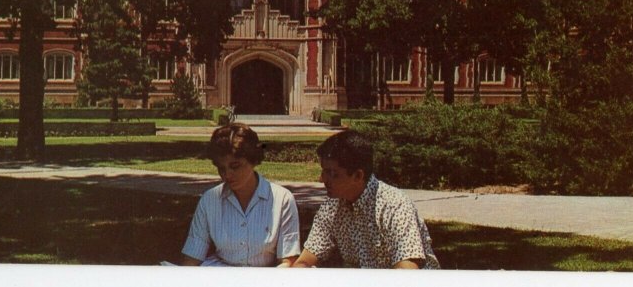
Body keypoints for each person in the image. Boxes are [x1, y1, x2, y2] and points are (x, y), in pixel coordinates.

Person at [292, 130, 440, 269]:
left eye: (332, 173)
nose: (322, 179)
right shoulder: (332, 207)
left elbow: (408, 272)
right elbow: (305, 260)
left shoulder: (395, 206)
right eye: (323, 171)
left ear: (358, 176)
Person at [180, 123, 301, 267]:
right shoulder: (209, 200)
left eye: (235, 166)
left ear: (253, 160)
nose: (227, 175)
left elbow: (288, 261)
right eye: (221, 168)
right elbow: (192, 258)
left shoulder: (282, 199)